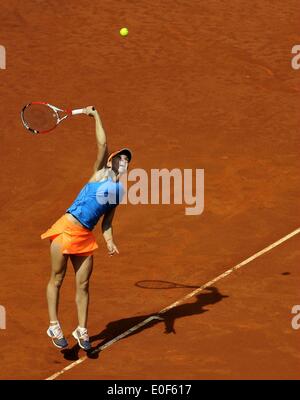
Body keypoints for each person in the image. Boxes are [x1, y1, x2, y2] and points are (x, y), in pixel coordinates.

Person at [41, 106, 132, 351]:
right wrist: (96, 115)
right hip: (65, 229)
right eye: (121, 157)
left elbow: (107, 222)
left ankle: (82, 329)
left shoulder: (118, 193)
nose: (124, 161)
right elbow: (102, 144)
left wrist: (110, 241)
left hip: (84, 238)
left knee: (83, 285)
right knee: (57, 278)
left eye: (127, 160)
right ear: (112, 161)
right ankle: (53, 324)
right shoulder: (100, 174)